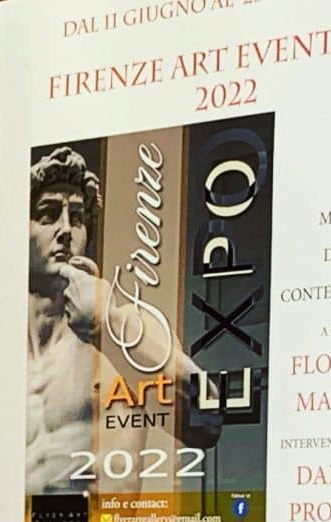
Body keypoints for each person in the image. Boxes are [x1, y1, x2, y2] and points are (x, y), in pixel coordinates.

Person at [26, 145, 222, 496]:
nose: (66, 230)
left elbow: (207, 420)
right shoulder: (4, 355)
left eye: (78, 218)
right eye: (48, 215)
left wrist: (107, 324)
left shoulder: (127, 327)